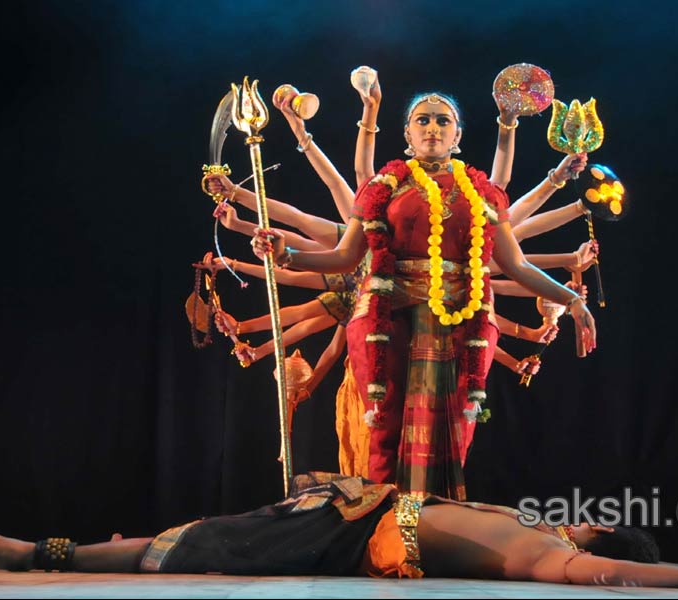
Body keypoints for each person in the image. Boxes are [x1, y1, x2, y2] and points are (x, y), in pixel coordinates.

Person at [249, 92, 597, 501]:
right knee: (387, 428)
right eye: (423, 120)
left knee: (454, 429)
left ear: (458, 136)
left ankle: (436, 521)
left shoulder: (482, 193)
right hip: (389, 318)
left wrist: (573, 302)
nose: (432, 127)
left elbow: (517, 265)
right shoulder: (383, 188)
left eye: (442, 121)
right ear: (407, 135)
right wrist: (286, 254)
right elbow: (345, 257)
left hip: (460, 321)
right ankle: (385, 531)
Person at [0, 472, 678, 591]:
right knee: (192, 532)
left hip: (349, 539)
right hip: (353, 509)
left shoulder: (556, 555)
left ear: (599, 538)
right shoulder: (532, 525)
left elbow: (616, 580)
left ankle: (32, 552)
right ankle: (37, 549)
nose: (580, 518)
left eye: (594, 524)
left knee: (185, 545)